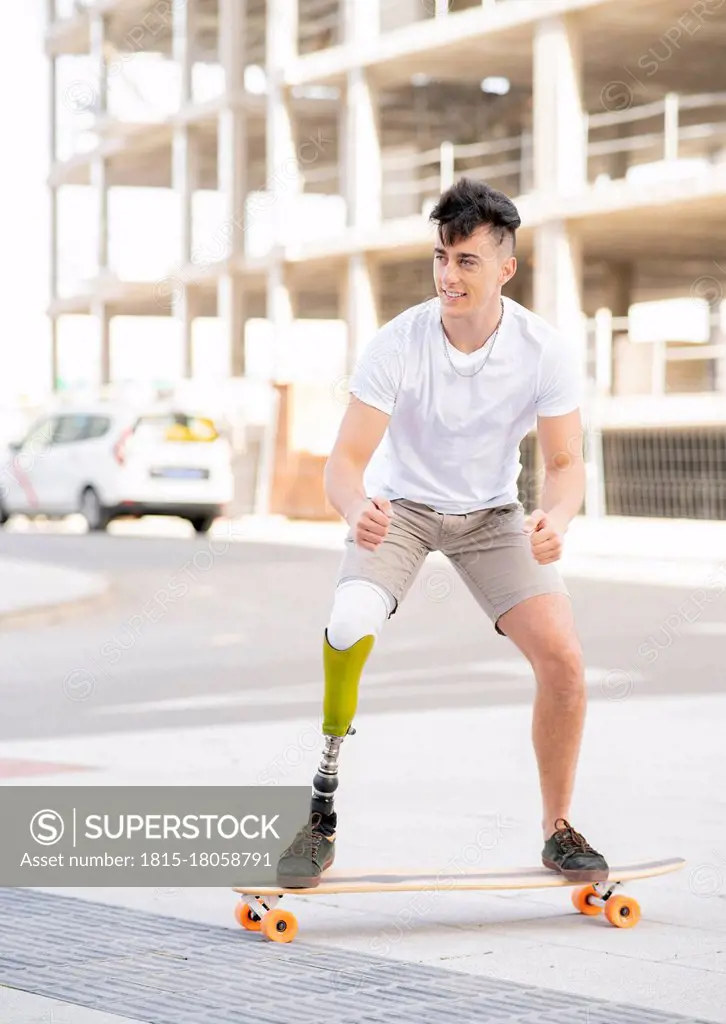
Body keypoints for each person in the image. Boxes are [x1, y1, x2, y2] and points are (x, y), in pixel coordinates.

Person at [276, 177, 608, 888]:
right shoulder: (399, 343)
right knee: (348, 620)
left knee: (565, 662)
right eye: (440, 258)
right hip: (401, 508)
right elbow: (345, 461)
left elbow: (564, 465)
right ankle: (322, 809)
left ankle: (559, 829)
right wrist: (351, 506)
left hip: (492, 515)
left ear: (505, 268)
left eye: (466, 262)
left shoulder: (542, 350)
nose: (448, 277)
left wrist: (557, 517)